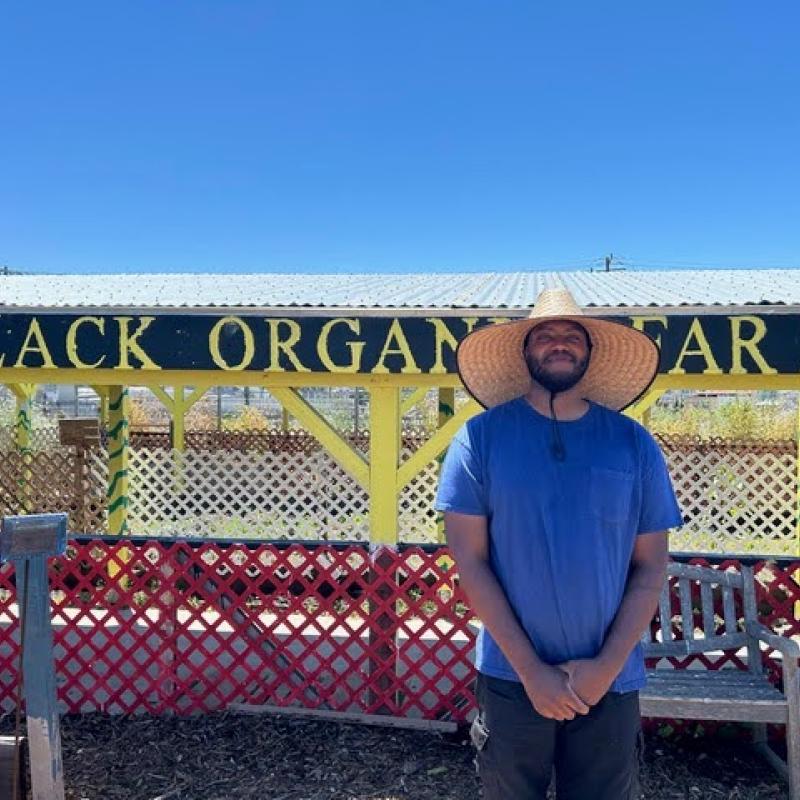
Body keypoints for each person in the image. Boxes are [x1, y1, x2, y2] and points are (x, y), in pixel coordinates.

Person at [435, 287, 683, 800]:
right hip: (510, 673)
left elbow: (650, 567)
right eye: (545, 335)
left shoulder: (633, 443)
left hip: (609, 680)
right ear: (525, 352)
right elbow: (471, 561)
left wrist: (604, 668)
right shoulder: (479, 438)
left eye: (572, 336)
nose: (559, 344)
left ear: (590, 354)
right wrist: (532, 672)